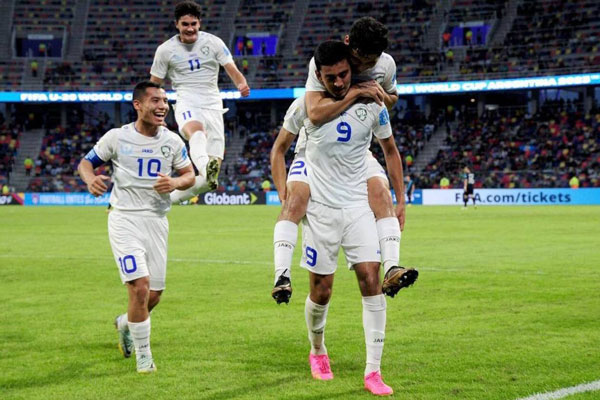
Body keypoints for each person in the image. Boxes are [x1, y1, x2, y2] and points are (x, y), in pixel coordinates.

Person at [271, 16, 416, 303]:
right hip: (316, 147)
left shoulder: (385, 65)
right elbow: (314, 112)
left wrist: (377, 98)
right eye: (359, 59)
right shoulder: (328, 62)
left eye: (371, 61)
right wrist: (358, 91)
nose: (363, 66)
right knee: (295, 199)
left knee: (380, 190)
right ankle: (281, 275)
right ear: (349, 45)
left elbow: (392, 99)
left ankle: (392, 267)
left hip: (356, 147)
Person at [299, 41, 400, 395]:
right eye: (331, 78)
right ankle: (317, 350)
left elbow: (390, 148)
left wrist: (401, 201)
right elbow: (301, 126)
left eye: (344, 75)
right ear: (319, 75)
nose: (339, 82)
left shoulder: (372, 101)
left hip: (357, 201)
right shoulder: (309, 103)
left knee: (371, 279)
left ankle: (374, 371)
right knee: (321, 290)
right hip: (322, 204)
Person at [77, 81, 195, 373]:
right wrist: (90, 180)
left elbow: (190, 175)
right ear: (138, 105)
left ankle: (125, 323)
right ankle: (144, 357)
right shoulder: (117, 137)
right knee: (139, 288)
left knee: (153, 295)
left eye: (165, 101)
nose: (162, 106)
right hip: (124, 219)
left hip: (156, 220)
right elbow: (85, 164)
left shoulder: (172, 141)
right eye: (155, 100)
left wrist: (175, 182)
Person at [150, 0, 250, 204]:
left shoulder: (214, 42)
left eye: (193, 24)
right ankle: (205, 166)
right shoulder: (165, 50)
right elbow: (154, 85)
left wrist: (241, 83)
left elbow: (231, 68)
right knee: (197, 132)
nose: (190, 28)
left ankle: (164, 201)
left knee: (208, 182)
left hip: (214, 106)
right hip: (187, 101)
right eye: (185, 24)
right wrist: (154, 113)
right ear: (177, 24)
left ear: (199, 23)